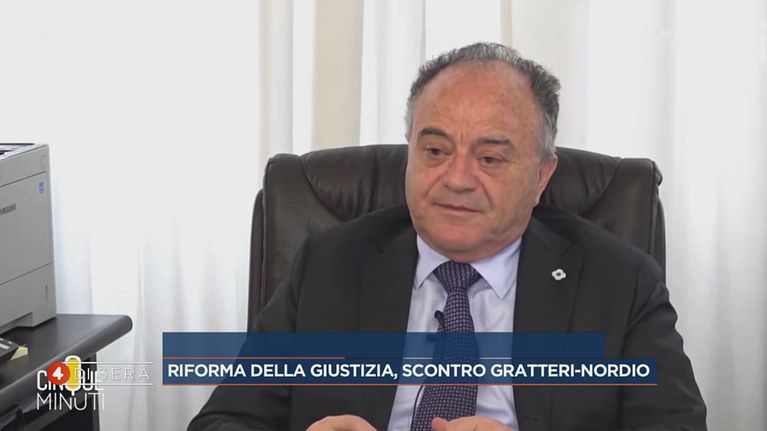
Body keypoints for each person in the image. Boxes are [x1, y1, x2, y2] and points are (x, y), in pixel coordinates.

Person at [189, 42, 706, 431]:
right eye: (435, 151)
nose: (456, 179)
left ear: (542, 176)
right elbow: (225, 420)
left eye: (490, 158)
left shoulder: (619, 282)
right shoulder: (329, 264)